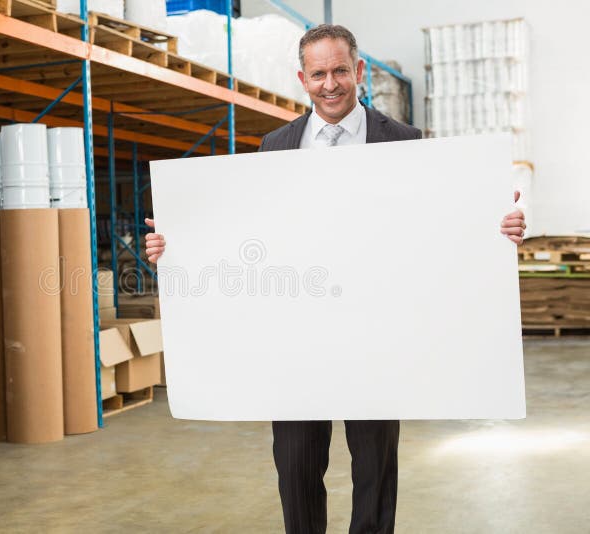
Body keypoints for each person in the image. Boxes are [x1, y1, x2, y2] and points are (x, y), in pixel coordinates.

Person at [143, 24, 526, 534]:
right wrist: (177, 248)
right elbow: (246, 236)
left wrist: (496, 227)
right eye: (318, 74)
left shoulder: (403, 142)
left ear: (359, 71)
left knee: (375, 468)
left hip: (378, 332)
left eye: (340, 70)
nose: (331, 84)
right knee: (297, 467)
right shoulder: (276, 146)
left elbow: (439, 223)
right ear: (302, 79)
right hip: (298, 335)